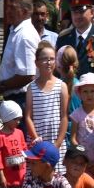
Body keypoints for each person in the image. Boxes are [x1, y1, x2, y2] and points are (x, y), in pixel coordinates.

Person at [25, 41, 68, 174]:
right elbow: (28, 117)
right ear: (37, 63)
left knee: (57, 177)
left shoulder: (61, 86)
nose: (48, 62)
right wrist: (36, 140)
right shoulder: (31, 88)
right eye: (44, 59)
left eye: (51, 59)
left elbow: (64, 116)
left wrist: (58, 144)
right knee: (36, 176)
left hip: (56, 137)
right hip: (38, 139)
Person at [0, 0, 39, 109]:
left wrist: (1, 86)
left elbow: (27, 75)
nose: (8, 11)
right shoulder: (15, 31)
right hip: (17, 99)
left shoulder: (24, 35)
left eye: (12, 8)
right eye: (8, 7)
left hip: (22, 99)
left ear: (25, 11)